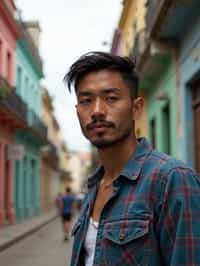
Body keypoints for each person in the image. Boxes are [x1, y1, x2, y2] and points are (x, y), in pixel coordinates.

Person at [64, 52, 200, 265]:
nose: (97, 111)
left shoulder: (172, 180)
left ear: (136, 108)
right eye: (86, 101)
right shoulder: (94, 186)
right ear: (77, 111)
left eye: (111, 98)